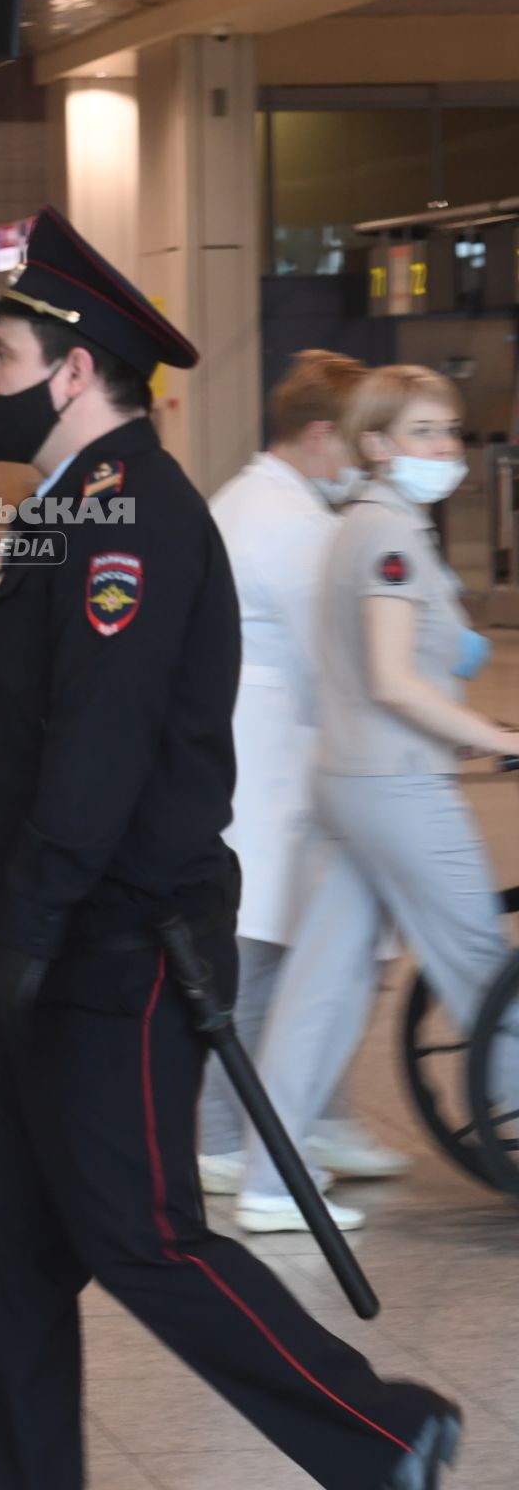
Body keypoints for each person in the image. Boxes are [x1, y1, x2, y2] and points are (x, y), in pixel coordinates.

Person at [0, 208, 461, 1490]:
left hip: (113, 945)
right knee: (0, 1249)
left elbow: (100, 747)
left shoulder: (131, 519)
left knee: (146, 1238)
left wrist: (28, 923)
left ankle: (383, 1433)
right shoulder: (69, 509)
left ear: (72, 370)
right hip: (48, 933)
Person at [239, 364, 519, 1233]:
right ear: (376, 444)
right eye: (424, 432)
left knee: (324, 981)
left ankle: (270, 1180)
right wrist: (502, 739)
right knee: (482, 967)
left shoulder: (361, 526)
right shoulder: (389, 536)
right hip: (396, 785)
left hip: (352, 779)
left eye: (450, 431)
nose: (445, 448)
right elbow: (396, 680)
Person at [200, 350, 411, 1202]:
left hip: (275, 762)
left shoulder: (260, 497)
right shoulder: (287, 523)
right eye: (359, 439)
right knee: (262, 960)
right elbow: (348, 653)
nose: (365, 457)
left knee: (298, 951)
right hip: (272, 766)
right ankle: (224, 1135)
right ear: (324, 434)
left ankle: (312, 1114)